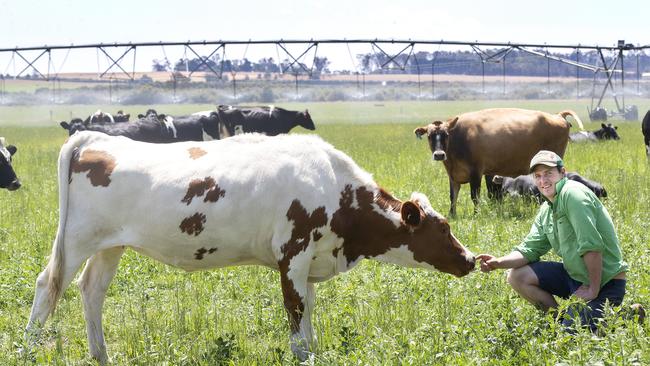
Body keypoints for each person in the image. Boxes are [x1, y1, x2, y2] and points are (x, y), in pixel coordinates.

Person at [477, 150, 643, 332]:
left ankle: (627, 316)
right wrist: (497, 262)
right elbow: (529, 249)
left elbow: (592, 247)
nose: (543, 180)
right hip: (575, 277)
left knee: (576, 339)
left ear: (562, 172)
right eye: (538, 176)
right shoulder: (547, 209)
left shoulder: (573, 196)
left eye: (548, 173)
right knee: (517, 276)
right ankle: (561, 321)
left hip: (604, 283)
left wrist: (593, 290)